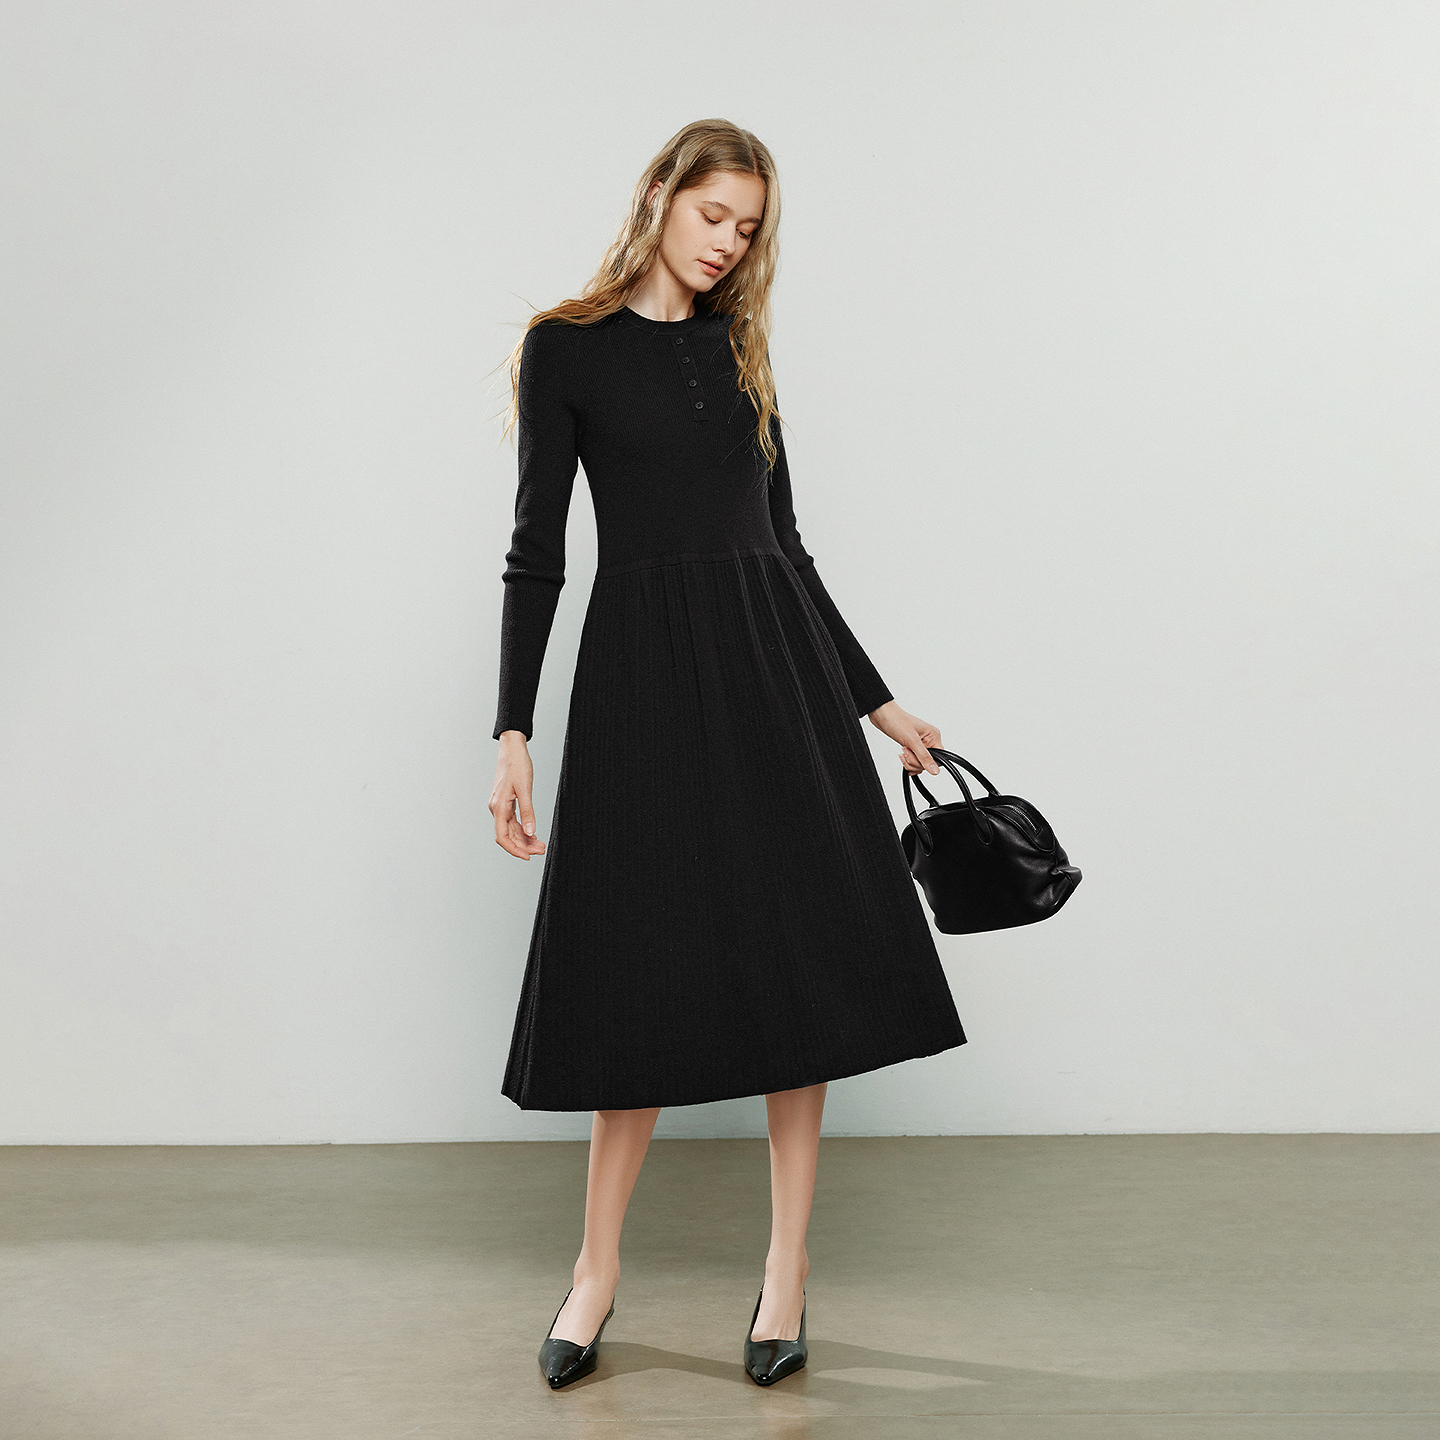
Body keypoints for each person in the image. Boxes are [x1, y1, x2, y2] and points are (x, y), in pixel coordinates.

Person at [489, 118, 966, 1390]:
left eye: (748, 228)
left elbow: (785, 549)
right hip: (641, 678)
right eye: (714, 215)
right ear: (659, 195)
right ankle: (595, 1272)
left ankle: (787, 1271)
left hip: (774, 682)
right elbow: (537, 551)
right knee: (631, 972)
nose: (728, 243)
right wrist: (513, 731)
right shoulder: (566, 349)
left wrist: (875, 704)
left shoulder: (740, 351)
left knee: (796, 970)